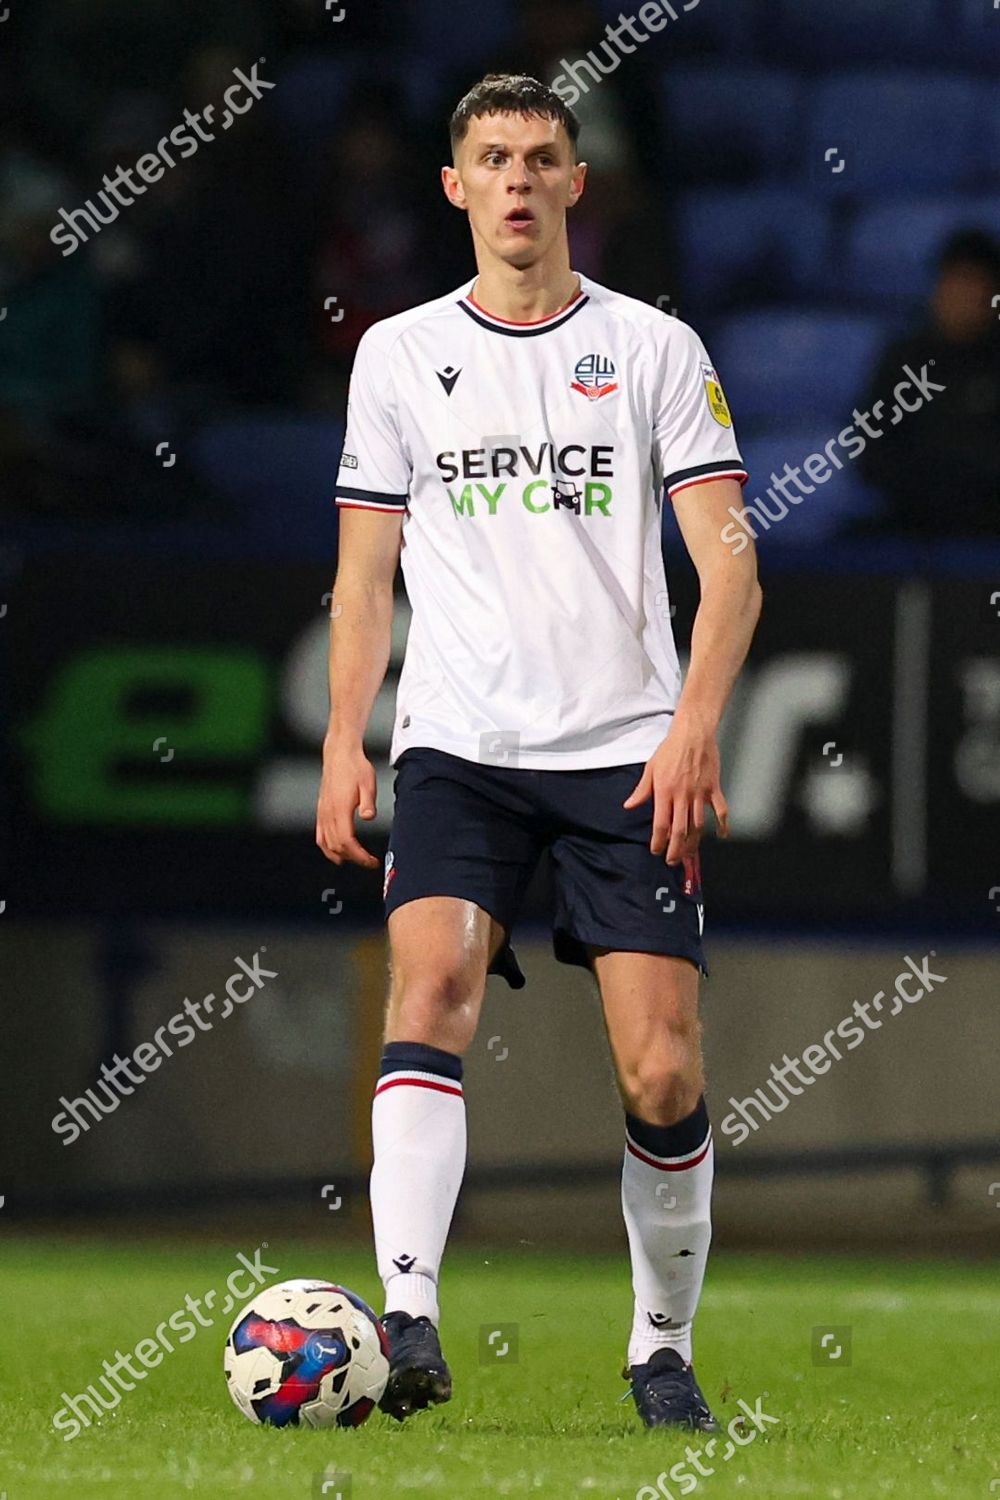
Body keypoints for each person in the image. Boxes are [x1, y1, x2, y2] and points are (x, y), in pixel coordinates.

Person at [316, 73, 762, 1431]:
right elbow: (365, 574)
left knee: (664, 1070)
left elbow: (732, 571)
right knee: (433, 979)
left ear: (578, 183)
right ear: (455, 188)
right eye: (493, 158)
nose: (518, 180)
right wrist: (348, 738)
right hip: (459, 741)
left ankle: (659, 1347)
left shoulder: (655, 351)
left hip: (628, 751)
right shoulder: (397, 355)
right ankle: (406, 1316)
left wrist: (695, 725)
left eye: (542, 158)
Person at [857, 228, 1000, 537]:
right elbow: (868, 448)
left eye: (972, 281)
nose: (959, 295)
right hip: (914, 521)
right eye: (951, 281)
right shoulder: (905, 358)